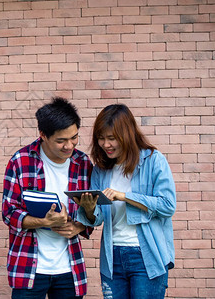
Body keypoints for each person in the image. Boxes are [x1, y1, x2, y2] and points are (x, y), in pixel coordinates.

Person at [74, 104, 176, 299]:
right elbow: (98, 219)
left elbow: (167, 205)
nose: (106, 144)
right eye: (101, 138)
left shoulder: (154, 160)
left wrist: (124, 196)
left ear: (127, 135)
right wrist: (89, 209)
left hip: (147, 257)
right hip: (113, 257)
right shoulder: (101, 169)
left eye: (112, 138)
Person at [2, 97, 93, 299]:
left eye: (74, 137)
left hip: (70, 268)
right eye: (61, 141)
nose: (69, 146)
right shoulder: (20, 161)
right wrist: (43, 222)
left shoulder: (83, 163)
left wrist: (79, 226)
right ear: (43, 135)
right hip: (28, 267)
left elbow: (93, 212)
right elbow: (9, 213)